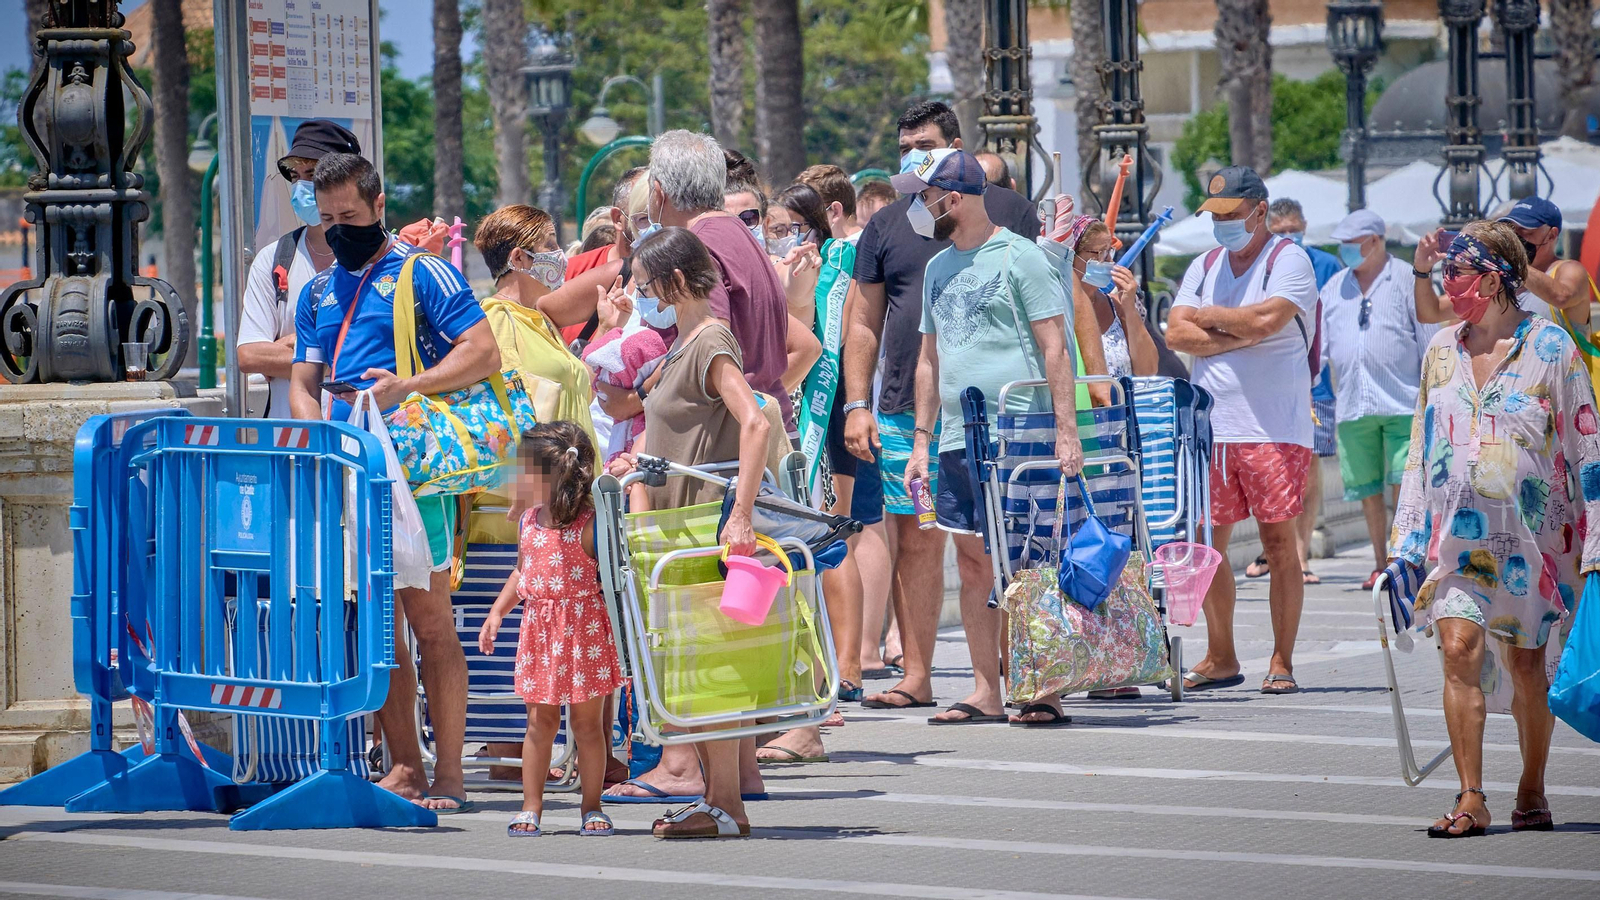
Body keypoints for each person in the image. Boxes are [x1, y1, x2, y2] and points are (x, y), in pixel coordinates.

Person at [287, 153, 499, 811]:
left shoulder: (425, 272)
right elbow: (303, 380)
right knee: (378, 628)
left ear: (379, 205)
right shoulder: (318, 291)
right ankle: (404, 767)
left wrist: (410, 385)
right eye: (325, 219)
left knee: (429, 619)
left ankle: (451, 776)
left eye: (347, 216)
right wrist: (320, 438)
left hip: (417, 470)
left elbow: (483, 349)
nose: (336, 229)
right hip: (349, 466)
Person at [1389, 221, 1600, 837]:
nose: (1444, 285)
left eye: (1455, 274)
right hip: (1457, 542)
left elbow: (1588, 448)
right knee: (1457, 651)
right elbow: (1417, 450)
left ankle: (1531, 786)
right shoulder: (1440, 351)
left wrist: (1595, 546)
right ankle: (1471, 797)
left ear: (1494, 278)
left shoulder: (1551, 349)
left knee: (1528, 670)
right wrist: (1405, 542)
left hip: (1534, 549)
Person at [841, 100, 1042, 713]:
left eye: (923, 144)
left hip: (1005, 414)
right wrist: (857, 402)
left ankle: (1023, 675)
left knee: (1010, 545)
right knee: (920, 539)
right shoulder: (886, 223)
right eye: (903, 148)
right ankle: (918, 675)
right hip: (908, 410)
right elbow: (864, 320)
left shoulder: (1010, 212)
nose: (912, 158)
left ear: (956, 144)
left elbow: (1048, 313)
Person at [896, 149, 1085, 727]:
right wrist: (922, 441)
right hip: (957, 436)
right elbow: (928, 359)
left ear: (953, 199)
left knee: (1029, 560)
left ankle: (1042, 685)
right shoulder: (937, 267)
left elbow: (1055, 345)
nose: (917, 208)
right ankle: (986, 689)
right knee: (974, 560)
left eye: (923, 197)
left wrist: (1066, 430)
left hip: (1019, 427)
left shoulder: (1019, 256)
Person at [608, 226, 773, 838]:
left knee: (709, 676)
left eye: (647, 285)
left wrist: (740, 514)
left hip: (704, 528)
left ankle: (725, 804)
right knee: (696, 674)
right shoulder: (688, 344)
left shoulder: (707, 341)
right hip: (681, 527)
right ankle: (720, 801)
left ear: (675, 282)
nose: (642, 295)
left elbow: (753, 424)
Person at [1164, 165, 1319, 696]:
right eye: (1215, 216)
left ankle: (1281, 658)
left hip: (1273, 426)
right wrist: (1234, 332)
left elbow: (1265, 323)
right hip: (1212, 426)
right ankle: (1222, 655)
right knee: (1206, 544)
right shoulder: (1205, 263)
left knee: (1280, 545)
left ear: (1259, 210)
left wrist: (1211, 318)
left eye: (1231, 214)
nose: (1222, 224)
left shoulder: (1289, 259)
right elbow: (1175, 331)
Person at [479, 422, 623, 837]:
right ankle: (532, 806)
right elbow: (521, 573)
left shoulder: (592, 523)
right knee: (539, 724)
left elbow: (613, 579)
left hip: (584, 637)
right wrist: (497, 612)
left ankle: (592, 805)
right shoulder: (528, 521)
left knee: (587, 727)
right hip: (541, 633)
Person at [641, 130, 813, 437]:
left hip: (730, 440)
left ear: (658, 191)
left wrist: (644, 392)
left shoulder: (696, 246)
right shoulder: (739, 232)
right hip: (766, 428)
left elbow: (710, 343)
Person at [1317, 210, 1435, 590]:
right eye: (1343, 245)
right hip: (1353, 402)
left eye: (1354, 244)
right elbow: (1317, 347)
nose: (1346, 251)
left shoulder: (1405, 278)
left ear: (1376, 241)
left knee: (1404, 484)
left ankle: (1404, 559)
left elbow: (1429, 335)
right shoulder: (1333, 287)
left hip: (1403, 400)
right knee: (1366, 488)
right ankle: (1379, 561)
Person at [237, 120, 361, 417]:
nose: (302, 185)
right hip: (292, 444)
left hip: (369, 440)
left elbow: (385, 354)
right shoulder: (274, 259)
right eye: (295, 175)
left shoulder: (382, 257)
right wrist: (335, 354)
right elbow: (249, 354)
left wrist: (294, 348)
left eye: (314, 173)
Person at [1263, 198, 1341, 585]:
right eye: (1279, 232)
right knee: (1272, 466)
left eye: (1293, 229)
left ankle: (1301, 553)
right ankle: (1275, 550)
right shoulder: (1260, 263)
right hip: (1272, 383)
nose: (1288, 237)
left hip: (1318, 383)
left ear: (1305, 225)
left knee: (1309, 468)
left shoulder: (1326, 265)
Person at [1413, 196, 1595, 332]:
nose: (1517, 236)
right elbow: (1431, 313)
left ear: (1552, 234)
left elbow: (1561, 297)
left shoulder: (1568, 269)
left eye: (1526, 230)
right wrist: (1422, 270)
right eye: (1512, 229)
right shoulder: (1500, 276)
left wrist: (1510, 260)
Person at [559, 166, 648, 345]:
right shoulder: (571, 272)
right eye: (645, 217)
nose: (656, 224)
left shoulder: (677, 279)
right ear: (618, 219)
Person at [1067, 216, 1158, 378]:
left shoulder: (1116, 306)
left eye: (1110, 251)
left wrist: (1129, 308)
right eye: (1101, 253)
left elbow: (1148, 369)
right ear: (1072, 256)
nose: (1110, 261)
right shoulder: (1059, 310)